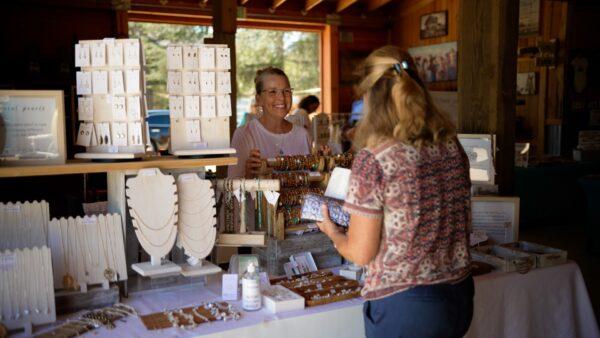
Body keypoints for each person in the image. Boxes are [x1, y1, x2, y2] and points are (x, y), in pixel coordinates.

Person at [316, 46, 473, 338]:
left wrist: (334, 234)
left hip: (407, 305)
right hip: (459, 294)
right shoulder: (451, 145)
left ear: (370, 98)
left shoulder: (375, 159)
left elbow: (361, 253)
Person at [228, 67, 311, 178]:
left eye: (286, 91)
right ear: (259, 99)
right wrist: (249, 174)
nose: (281, 97)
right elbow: (233, 189)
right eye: (272, 92)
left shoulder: (302, 135)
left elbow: (311, 183)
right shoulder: (245, 134)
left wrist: (323, 163)